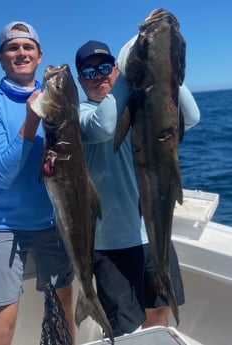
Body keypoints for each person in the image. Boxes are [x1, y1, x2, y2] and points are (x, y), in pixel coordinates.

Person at [75, 39, 200, 337]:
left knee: (159, 316)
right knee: (125, 330)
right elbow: (105, 127)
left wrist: (163, 68)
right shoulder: (78, 116)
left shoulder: (138, 105)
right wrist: (130, 74)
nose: (99, 76)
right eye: (89, 72)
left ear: (115, 70)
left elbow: (191, 118)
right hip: (109, 245)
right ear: (80, 81)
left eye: (105, 68)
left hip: (152, 235)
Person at [0, 22, 75, 345]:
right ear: (1, 58)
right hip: (5, 226)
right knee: (3, 322)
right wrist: (31, 122)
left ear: (39, 56)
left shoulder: (60, 105)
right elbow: (2, 174)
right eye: (13, 48)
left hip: (52, 223)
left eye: (28, 47)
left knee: (65, 308)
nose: (21, 53)